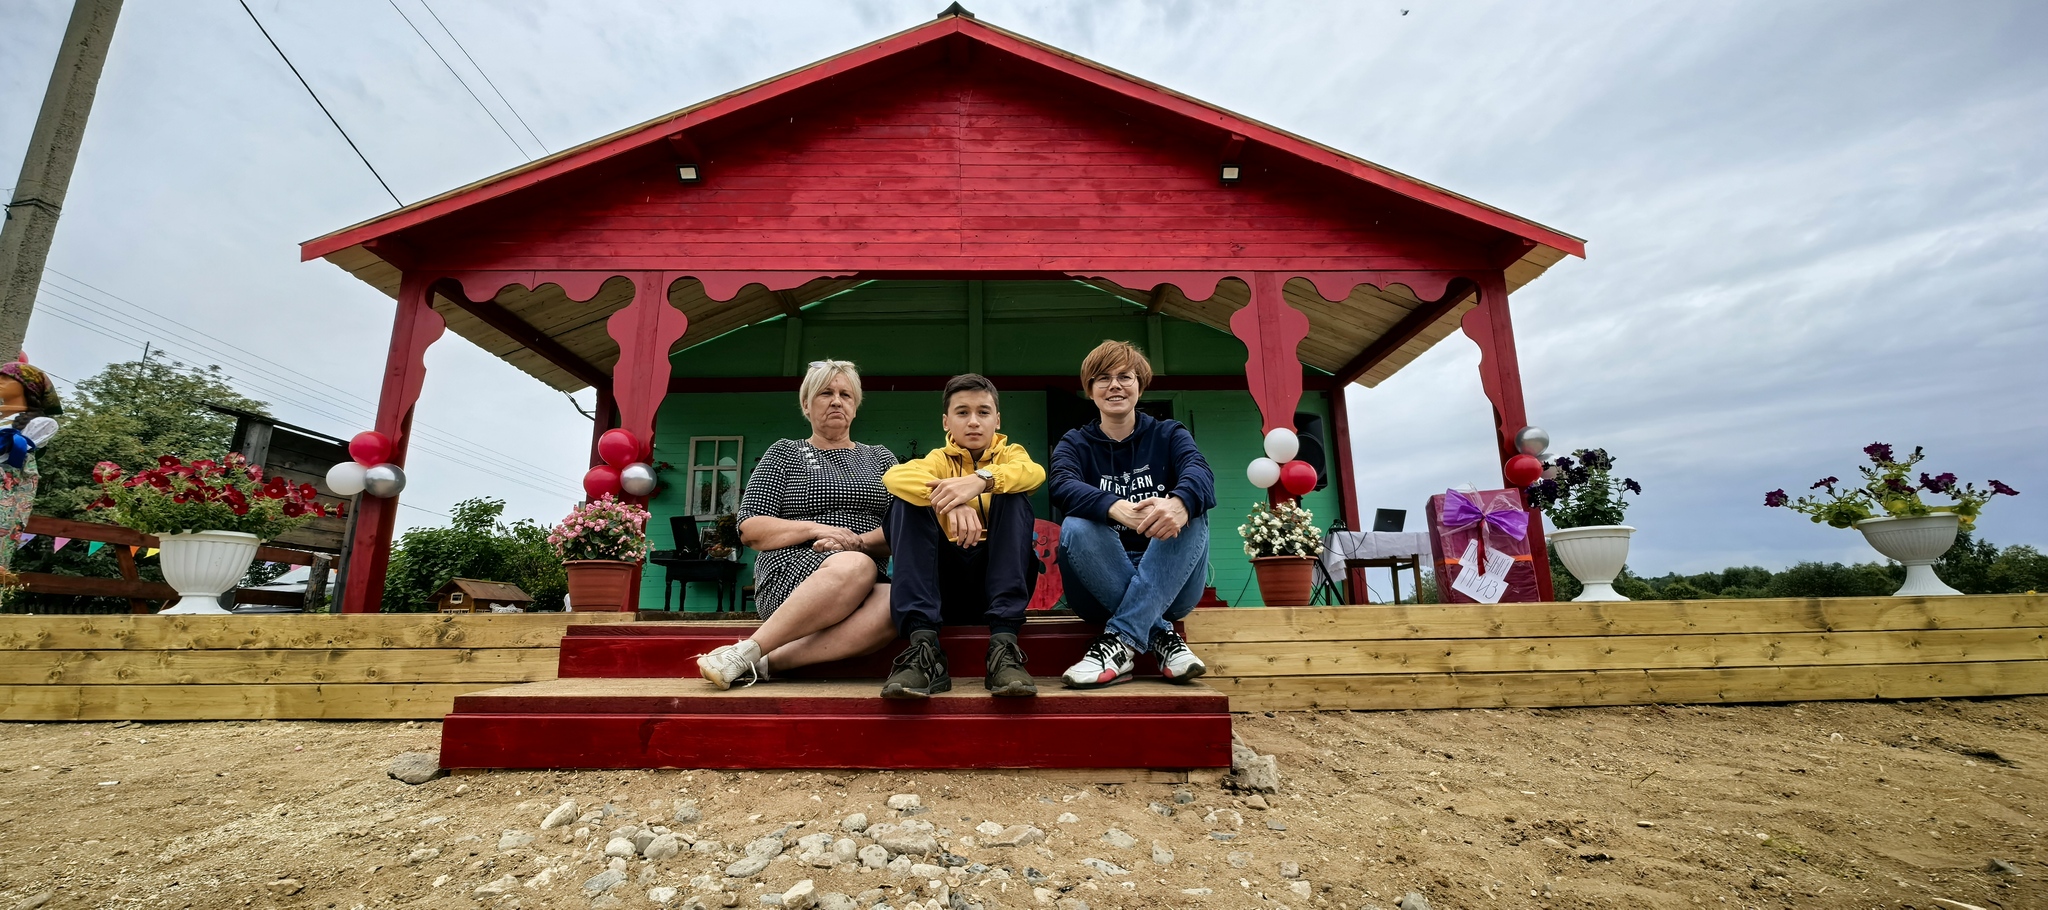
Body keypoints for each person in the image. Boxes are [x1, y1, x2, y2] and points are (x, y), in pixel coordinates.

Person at [696, 361, 899, 689]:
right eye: (825, 393)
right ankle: (754, 647)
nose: (837, 401)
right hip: (792, 573)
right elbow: (750, 527)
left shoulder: (880, 458)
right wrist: (816, 529)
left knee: (898, 600)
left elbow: (902, 530)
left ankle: (758, 660)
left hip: (864, 575)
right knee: (855, 566)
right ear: (806, 404)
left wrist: (856, 542)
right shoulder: (785, 452)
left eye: (846, 394)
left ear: (856, 405)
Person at [1049, 341, 1216, 688]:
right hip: (1095, 589)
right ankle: (1162, 639)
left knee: (1189, 513)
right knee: (1077, 525)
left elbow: (1200, 474)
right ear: (1089, 390)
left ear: (1139, 385)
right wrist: (1115, 508)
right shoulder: (1074, 443)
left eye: (1125, 376)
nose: (1114, 385)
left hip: (1173, 585)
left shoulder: (1169, 434)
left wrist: (1177, 504)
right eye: (1102, 378)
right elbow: (1062, 485)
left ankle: (1120, 641)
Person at [877, 374, 1046, 698]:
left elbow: (1033, 472)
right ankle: (924, 650)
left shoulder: (1011, 454)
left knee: (1013, 494)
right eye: (962, 412)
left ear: (997, 419)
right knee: (906, 502)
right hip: (942, 591)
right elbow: (895, 476)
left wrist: (982, 481)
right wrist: (953, 501)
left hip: (996, 589)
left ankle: (1003, 648)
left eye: (983, 412)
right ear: (946, 421)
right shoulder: (937, 461)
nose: (973, 422)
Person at [0, 357, 61, 585]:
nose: (0, 382)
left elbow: (14, 453)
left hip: (5, 494)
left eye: (6, 378)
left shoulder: (40, 424)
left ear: (27, 386)